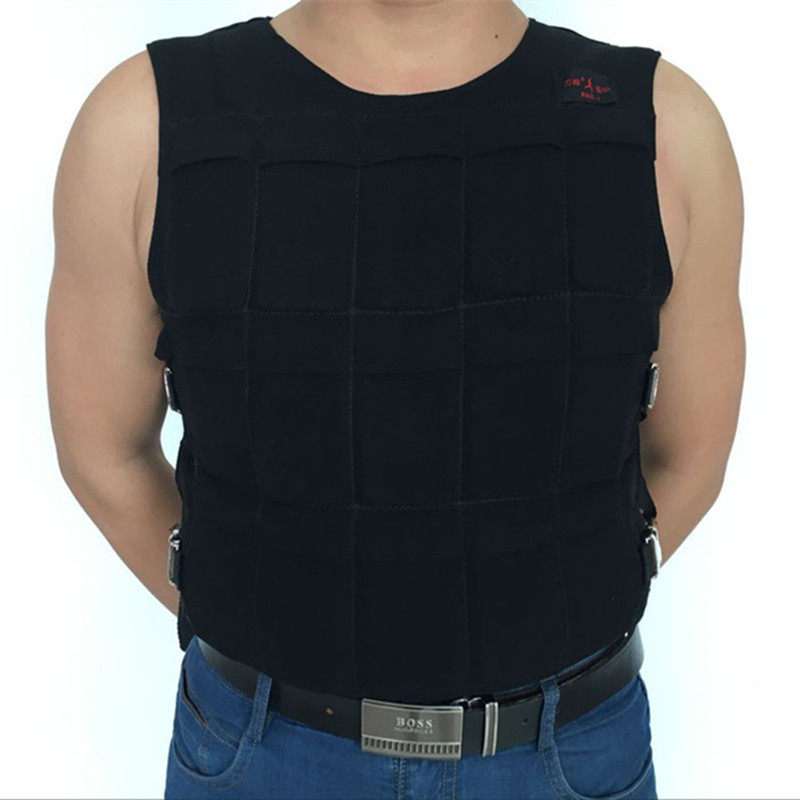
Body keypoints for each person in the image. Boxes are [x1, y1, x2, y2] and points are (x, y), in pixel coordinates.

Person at [46, 1, 744, 798]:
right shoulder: (141, 125)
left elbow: (691, 454)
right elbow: (102, 452)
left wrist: (550, 603)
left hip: (568, 750)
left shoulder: (664, 128)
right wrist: (259, 610)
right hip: (261, 752)